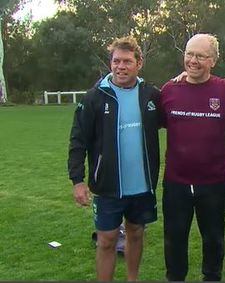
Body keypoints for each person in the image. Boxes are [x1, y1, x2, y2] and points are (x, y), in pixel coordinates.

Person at [67, 35, 161, 281]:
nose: (121, 67)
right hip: (108, 186)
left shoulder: (150, 94)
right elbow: (78, 140)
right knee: (107, 240)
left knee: (136, 233)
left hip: (142, 186)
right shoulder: (95, 97)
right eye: (116, 61)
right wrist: (77, 180)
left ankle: (132, 279)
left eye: (127, 61)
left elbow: (175, 111)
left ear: (139, 63)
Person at [159, 33, 225, 281]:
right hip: (176, 181)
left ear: (213, 60)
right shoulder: (170, 89)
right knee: (174, 238)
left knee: (213, 239)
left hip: (213, 182)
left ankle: (212, 277)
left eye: (200, 56)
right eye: (189, 54)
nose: (193, 60)